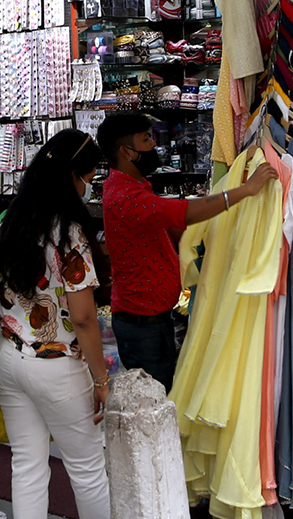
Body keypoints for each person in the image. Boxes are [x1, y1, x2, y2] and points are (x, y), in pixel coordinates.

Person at [0, 128, 114, 519]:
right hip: (57, 364)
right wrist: (101, 378)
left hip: (9, 356)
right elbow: (83, 317)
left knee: (28, 466)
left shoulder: (11, 221)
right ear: (72, 176)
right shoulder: (69, 233)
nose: (88, 187)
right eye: (88, 177)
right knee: (87, 465)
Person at [97, 111, 276, 389]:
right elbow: (185, 212)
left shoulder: (133, 186)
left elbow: (167, 226)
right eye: (146, 140)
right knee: (155, 397)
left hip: (150, 319)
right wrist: (246, 190)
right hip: (143, 324)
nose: (153, 145)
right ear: (127, 152)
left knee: (161, 389)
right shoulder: (126, 197)